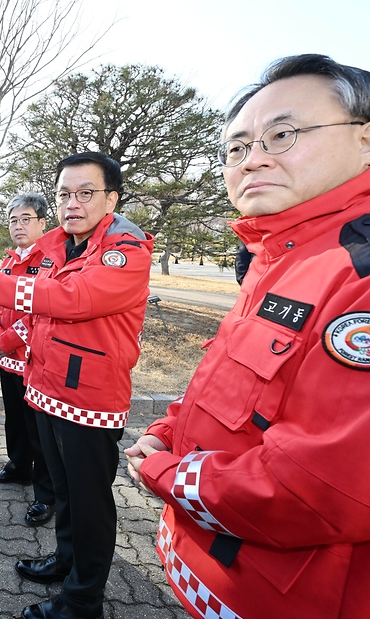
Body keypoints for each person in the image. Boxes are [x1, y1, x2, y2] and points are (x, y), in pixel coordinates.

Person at [125, 54, 370, 619]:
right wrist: (169, 431)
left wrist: (164, 472)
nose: (253, 160)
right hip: (226, 580)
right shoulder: (281, 257)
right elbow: (235, 386)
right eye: (236, 148)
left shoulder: (356, 272)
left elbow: (315, 489)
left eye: (282, 135)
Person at [0, 152, 154, 619]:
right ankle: (66, 563)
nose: (71, 203)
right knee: (64, 493)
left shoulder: (125, 249)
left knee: (89, 504)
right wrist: (7, 335)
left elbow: (76, 298)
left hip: (89, 399)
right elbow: (36, 316)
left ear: (111, 198)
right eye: (63, 194)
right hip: (46, 387)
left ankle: (82, 602)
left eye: (85, 193)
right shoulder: (59, 246)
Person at [0, 193, 55, 529]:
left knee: (39, 431)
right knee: (14, 420)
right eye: (14, 220)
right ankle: (17, 467)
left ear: (42, 222)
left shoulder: (51, 262)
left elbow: (41, 313)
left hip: (33, 360)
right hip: (6, 360)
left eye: (26, 218)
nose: (19, 225)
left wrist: (8, 339)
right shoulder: (9, 260)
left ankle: (46, 495)